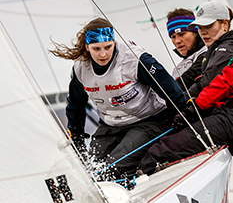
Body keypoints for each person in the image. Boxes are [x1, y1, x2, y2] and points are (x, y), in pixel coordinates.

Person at [139, 11, 233, 175]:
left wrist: (195, 107)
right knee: (187, 155)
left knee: (163, 149)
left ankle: (136, 182)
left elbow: (226, 79)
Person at [50, 17, 185, 180]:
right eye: (96, 48)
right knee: (91, 170)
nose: (103, 54)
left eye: (108, 47)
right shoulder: (81, 68)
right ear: (87, 48)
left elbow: (171, 89)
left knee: (113, 168)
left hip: (147, 120)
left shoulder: (134, 58)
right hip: (111, 124)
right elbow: (75, 105)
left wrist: (176, 121)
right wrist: (77, 138)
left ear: (114, 42)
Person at [185, 0, 233, 99]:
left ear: (225, 24)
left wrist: (180, 102)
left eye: (208, 26)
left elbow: (206, 82)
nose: (203, 32)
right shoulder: (215, 49)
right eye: (200, 27)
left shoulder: (230, 47)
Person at [166, 8, 207, 91]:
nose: (177, 41)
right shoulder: (176, 70)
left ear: (196, 33)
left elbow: (194, 74)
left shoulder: (209, 51)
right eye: (173, 37)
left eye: (181, 34)